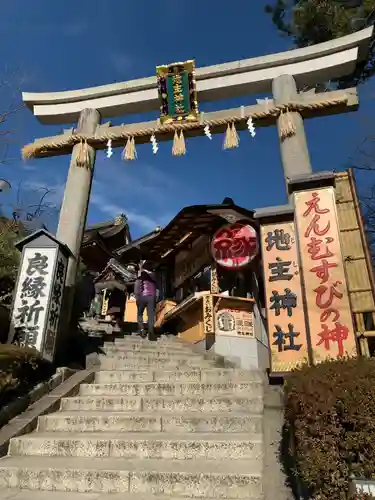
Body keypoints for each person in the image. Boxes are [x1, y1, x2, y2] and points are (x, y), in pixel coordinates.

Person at [135, 261, 157, 340]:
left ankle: (142, 330)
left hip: (142, 296)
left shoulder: (141, 275)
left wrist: (137, 297)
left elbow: (137, 286)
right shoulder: (154, 275)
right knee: (150, 315)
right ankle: (151, 332)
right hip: (152, 297)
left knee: (140, 313)